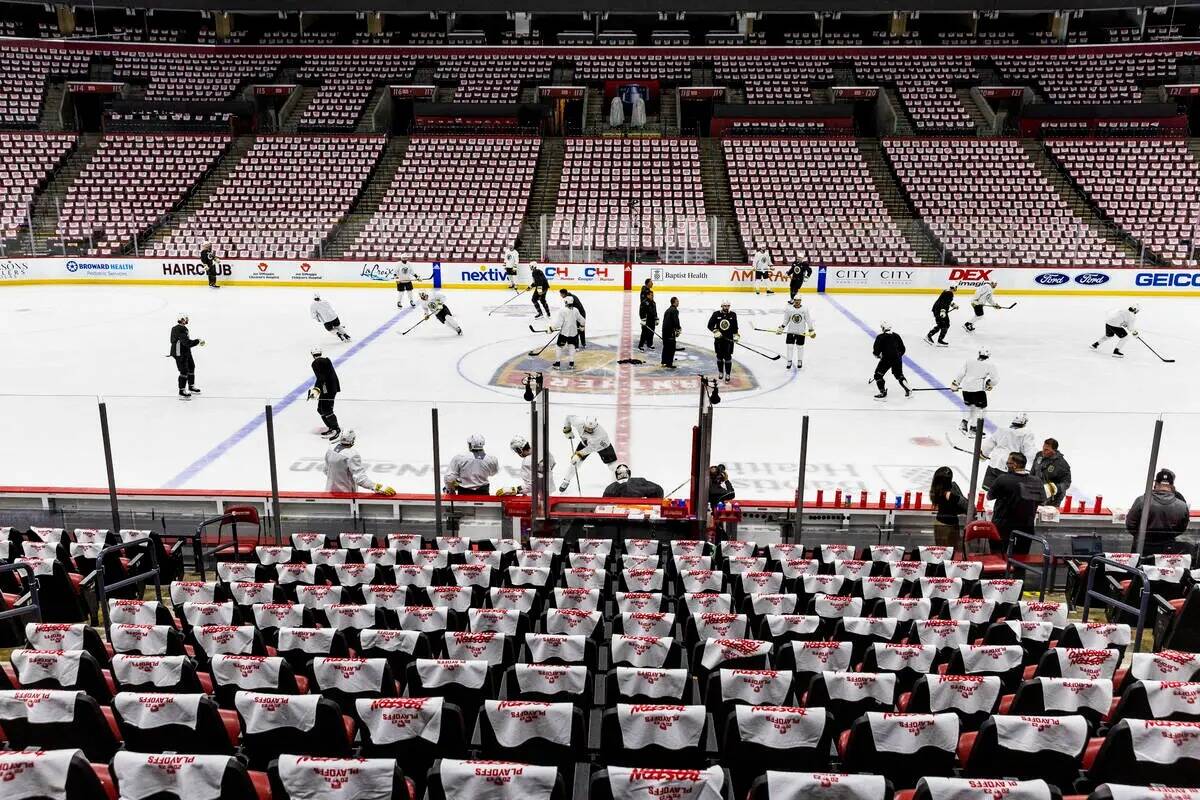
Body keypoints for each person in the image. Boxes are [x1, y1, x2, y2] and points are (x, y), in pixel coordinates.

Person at [987, 451, 1052, 555]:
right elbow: (1042, 500)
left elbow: (989, 496)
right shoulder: (1036, 481)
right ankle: (1019, 571)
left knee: (998, 558)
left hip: (1002, 526)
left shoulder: (1003, 479)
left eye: (1008, 463)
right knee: (1021, 561)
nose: (1007, 465)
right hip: (1026, 528)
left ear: (1015, 465)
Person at [1126, 469, 1191, 556]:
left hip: (1142, 547)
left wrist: (1141, 536)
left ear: (1155, 484)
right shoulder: (1182, 505)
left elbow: (1130, 524)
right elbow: (1182, 527)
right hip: (1167, 548)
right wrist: (1168, 537)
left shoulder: (1142, 501)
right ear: (1172, 486)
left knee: (1139, 569)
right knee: (1163, 570)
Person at [322, 430, 395, 495]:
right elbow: (360, 479)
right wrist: (376, 487)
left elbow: (325, 470)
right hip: (346, 496)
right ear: (352, 440)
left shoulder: (330, 449)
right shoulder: (352, 455)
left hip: (329, 493)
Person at [980, 413, 1038, 492]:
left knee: (988, 491)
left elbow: (990, 443)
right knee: (1006, 494)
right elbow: (1030, 452)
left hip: (993, 464)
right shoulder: (1026, 433)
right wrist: (1036, 466)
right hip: (1008, 467)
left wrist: (983, 455)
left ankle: (982, 504)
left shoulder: (1002, 429)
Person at [559, 415, 618, 491]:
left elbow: (591, 449)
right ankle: (566, 480)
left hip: (603, 446)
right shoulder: (579, 422)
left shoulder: (601, 435)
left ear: (595, 427)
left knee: (612, 466)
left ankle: (622, 477)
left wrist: (578, 455)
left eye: (591, 429)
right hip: (586, 442)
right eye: (587, 428)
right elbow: (568, 418)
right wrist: (567, 430)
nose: (588, 430)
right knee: (574, 463)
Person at [951, 349, 998, 435]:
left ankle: (963, 424)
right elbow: (995, 379)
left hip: (966, 388)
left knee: (970, 406)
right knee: (981, 409)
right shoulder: (990, 365)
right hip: (978, 390)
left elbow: (961, 373)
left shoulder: (969, 361)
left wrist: (955, 384)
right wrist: (989, 384)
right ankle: (973, 429)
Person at [307, 347, 341, 440]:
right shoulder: (327, 360)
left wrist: (315, 391)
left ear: (312, 354)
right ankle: (331, 428)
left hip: (327, 389)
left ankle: (336, 429)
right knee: (321, 409)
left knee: (326, 409)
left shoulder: (315, 363)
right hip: (331, 388)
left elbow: (320, 378)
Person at [930, 466, 968, 548]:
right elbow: (967, 506)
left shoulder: (935, 489)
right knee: (949, 552)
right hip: (949, 524)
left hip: (941, 523)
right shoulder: (951, 491)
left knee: (942, 552)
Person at [169, 312, 204, 400]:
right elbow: (186, 342)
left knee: (191, 367)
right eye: (186, 318)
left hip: (186, 351)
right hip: (179, 353)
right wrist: (197, 341)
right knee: (184, 371)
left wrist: (195, 342)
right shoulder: (178, 329)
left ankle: (191, 386)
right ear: (182, 319)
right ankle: (181, 391)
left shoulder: (183, 328)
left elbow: (185, 342)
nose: (187, 320)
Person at [871, 321, 910, 400]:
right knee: (899, 375)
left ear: (883, 328)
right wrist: (897, 356)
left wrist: (878, 356)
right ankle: (908, 390)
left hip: (886, 359)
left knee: (878, 376)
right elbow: (902, 349)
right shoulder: (896, 336)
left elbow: (876, 352)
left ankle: (882, 392)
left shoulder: (880, 337)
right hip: (897, 359)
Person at [1031, 438, 1071, 508]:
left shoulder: (1062, 464)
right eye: (1043, 448)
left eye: (1047, 450)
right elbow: (1033, 471)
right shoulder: (1039, 455)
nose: (1043, 451)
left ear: (1054, 450)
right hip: (1037, 494)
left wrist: (1051, 489)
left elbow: (1066, 483)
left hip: (1052, 499)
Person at [778, 297, 815, 371]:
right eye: (796, 300)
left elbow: (808, 319)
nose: (797, 302)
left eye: (799, 300)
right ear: (794, 301)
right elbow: (786, 320)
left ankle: (800, 361)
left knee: (800, 347)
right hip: (791, 331)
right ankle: (789, 361)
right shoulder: (789, 309)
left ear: (800, 301)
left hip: (801, 332)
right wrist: (781, 328)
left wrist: (811, 330)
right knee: (789, 346)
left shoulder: (804, 309)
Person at [708, 300, 738, 383]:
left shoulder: (733, 314)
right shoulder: (716, 314)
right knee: (719, 357)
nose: (726, 307)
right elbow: (709, 325)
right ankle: (721, 372)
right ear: (721, 306)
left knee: (728, 357)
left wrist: (736, 335)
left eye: (728, 306)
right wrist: (715, 331)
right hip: (719, 340)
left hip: (729, 340)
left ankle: (728, 374)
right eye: (725, 306)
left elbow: (735, 327)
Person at [551, 296, 584, 370]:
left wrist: (551, 328)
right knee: (572, 346)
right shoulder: (575, 310)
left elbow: (558, 324)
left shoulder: (562, 311)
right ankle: (571, 364)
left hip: (564, 333)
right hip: (574, 333)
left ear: (566, 302)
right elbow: (582, 320)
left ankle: (557, 364)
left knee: (559, 347)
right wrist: (582, 326)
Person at [661, 296, 682, 369]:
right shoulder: (674, 310)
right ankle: (669, 363)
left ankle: (664, 362)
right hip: (670, 332)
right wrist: (678, 328)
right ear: (674, 302)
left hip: (665, 332)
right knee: (671, 348)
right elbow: (676, 321)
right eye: (677, 301)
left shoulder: (668, 310)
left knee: (666, 347)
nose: (678, 302)